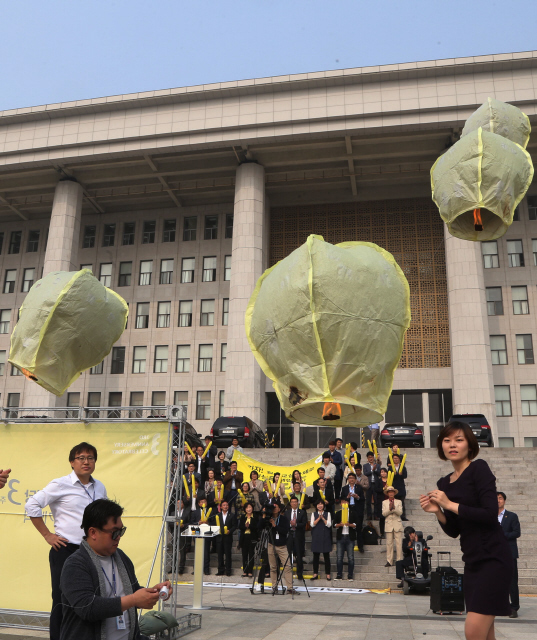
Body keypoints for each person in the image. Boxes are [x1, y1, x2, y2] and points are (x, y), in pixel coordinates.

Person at [420, 422, 513, 640]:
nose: (452, 444)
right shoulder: (444, 483)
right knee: (485, 635)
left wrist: (449, 504)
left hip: (494, 559)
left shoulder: (479, 469)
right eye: (447, 440)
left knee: (473, 632)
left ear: (470, 446)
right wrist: (438, 512)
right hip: (472, 562)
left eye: (459, 440)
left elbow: (490, 514)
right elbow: (454, 530)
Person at [25, 442, 107, 640]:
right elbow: (32, 505)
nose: (86, 462)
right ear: (72, 462)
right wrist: (47, 535)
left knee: (92, 598)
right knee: (62, 599)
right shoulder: (60, 484)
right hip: (66, 550)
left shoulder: (100, 486)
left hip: (94, 552)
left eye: (90, 458)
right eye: (81, 458)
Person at [60, 499, 172, 640]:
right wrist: (133, 599)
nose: (118, 537)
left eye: (121, 531)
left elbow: (132, 591)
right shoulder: (75, 564)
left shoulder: (121, 557)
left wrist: (153, 592)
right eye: (114, 532)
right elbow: (88, 608)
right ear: (93, 532)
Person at [497, 491, 521, 618]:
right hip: (494, 555)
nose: (498, 501)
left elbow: (517, 532)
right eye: (495, 499)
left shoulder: (512, 516)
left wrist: (502, 536)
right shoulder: (489, 517)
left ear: (504, 501)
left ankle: (514, 607)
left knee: (511, 582)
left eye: (500, 498)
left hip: (509, 554)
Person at [266, 502, 299, 595]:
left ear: (279, 509)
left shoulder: (284, 519)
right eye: (273, 507)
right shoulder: (268, 518)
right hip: (271, 544)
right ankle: (274, 586)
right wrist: (264, 515)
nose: (274, 509)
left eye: (276, 507)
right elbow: (260, 526)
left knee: (287, 566)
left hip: (282, 545)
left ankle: (290, 588)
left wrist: (275, 526)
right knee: (273, 567)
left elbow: (285, 531)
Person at [333, 497, 359, 581]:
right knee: (339, 557)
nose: (344, 503)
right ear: (340, 504)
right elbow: (334, 525)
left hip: (349, 537)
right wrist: (339, 525)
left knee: (350, 557)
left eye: (346, 502)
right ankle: (339, 574)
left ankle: (350, 575)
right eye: (342, 502)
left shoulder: (353, 513)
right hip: (340, 537)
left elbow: (357, 524)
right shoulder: (338, 513)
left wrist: (350, 524)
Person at [340, 473, 365, 553]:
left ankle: (360, 546)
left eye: (353, 478)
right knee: (347, 527)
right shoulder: (344, 488)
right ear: (347, 479)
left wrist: (357, 497)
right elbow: (341, 499)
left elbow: (363, 499)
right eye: (350, 478)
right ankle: (346, 546)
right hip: (348, 509)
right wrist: (347, 497)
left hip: (357, 509)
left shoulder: (359, 488)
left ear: (355, 479)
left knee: (358, 528)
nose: (351, 479)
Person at [192, 497, 216, 575]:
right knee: (197, 553)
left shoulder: (211, 511)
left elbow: (214, 523)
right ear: (199, 504)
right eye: (201, 502)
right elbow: (191, 523)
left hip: (207, 534)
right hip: (197, 534)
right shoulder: (195, 512)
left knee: (206, 553)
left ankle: (206, 569)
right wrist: (198, 523)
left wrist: (208, 522)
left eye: (204, 502)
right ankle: (196, 569)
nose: (203, 503)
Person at [285, 496, 307, 580]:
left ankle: (299, 573)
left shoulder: (302, 512)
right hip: (289, 535)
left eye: (295, 502)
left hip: (298, 536)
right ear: (290, 503)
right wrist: (291, 525)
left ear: (298, 503)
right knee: (288, 555)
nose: (294, 503)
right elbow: (285, 523)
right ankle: (288, 573)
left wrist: (296, 524)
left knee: (299, 555)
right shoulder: (287, 512)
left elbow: (304, 523)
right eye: (292, 502)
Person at [310, 500, 332, 581]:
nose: (320, 506)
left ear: (323, 505)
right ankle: (315, 573)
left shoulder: (328, 514)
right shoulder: (314, 514)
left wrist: (323, 518)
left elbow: (329, 525)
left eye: (321, 504)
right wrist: (319, 518)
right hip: (316, 536)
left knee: (326, 556)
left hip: (325, 536)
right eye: (318, 504)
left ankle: (328, 574)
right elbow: (312, 524)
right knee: (316, 556)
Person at [382, 485, 403, 567]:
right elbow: (384, 514)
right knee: (389, 543)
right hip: (389, 524)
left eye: (392, 492)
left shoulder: (399, 502)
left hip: (397, 524)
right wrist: (390, 509)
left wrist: (394, 508)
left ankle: (399, 560)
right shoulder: (384, 502)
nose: (391, 493)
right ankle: (389, 561)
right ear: (387, 493)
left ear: (394, 493)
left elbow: (400, 513)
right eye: (389, 492)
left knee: (399, 543)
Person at [216, 500, 237, 576]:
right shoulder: (217, 515)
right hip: (219, 538)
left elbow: (235, 526)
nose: (225, 506)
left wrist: (230, 531)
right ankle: (220, 570)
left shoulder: (232, 515)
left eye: (227, 505)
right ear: (221, 507)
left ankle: (228, 571)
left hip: (228, 537)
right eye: (224, 505)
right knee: (220, 555)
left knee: (228, 555)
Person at [238, 502, 258, 577]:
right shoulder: (243, 517)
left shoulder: (255, 517)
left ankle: (250, 571)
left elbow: (256, 527)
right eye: (247, 508)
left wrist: (249, 526)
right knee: (244, 555)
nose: (249, 509)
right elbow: (240, 527)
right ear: (245, 509)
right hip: (244, 538)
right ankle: (245, 571)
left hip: (252, 537)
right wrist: (245, 527)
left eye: (250, 507)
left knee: (251, 554)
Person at [388, 453, 408, 520]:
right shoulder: (390, 468)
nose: (395, 460)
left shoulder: (403, 467)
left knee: (402, 502)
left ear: (399, 459)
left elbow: (405, 476)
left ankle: (403, 516)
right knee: (393, 501)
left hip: (401, 486)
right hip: (394, 486)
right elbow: (389, 477)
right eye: (394, 458)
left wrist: (401, 474)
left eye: (397, 458)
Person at [363, 451, 381, 520]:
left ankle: (376, 515)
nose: (371, 458)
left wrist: (375, 469)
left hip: (375, 484)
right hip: (368, 484)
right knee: (368, 501)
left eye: (372, 457)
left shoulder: (377, 465)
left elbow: (379, 473)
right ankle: (369, 515)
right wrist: (372, 470)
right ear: (367, 458)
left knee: (376, 500)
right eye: (369, 457)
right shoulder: (365, 466)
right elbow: (365, 473)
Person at [176, 498, 192, 575]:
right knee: (174, 551)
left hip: (183, 533)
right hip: (174, 533)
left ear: (183, 504)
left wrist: (183, 525)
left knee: (182, 552)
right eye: (178, 503)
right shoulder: (173, 513)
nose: (179, 504)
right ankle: (173, 568)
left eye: (181, 503)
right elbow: (169, 523)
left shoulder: (187, 512)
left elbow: (190, 523)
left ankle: (181, 568)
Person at [376, 468, 389, 537]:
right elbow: (376, 489)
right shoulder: (378, 481)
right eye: (382, 472)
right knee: (382, 518)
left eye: (384, 472)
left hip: (389, 500)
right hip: (381, 500)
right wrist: (383, 488)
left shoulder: (390, 480)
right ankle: (382, 533)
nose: (383, 473)